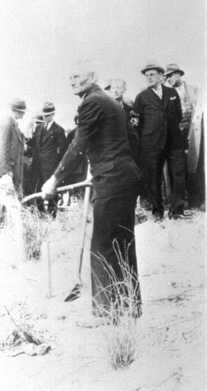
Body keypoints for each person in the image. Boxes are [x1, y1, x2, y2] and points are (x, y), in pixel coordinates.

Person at [42, 62, 142, 319]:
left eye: (77, 76)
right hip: (123, 178)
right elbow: (130, 140)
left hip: (112, 180)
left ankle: (107, 312)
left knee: (102, 245)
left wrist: (54, 179)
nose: (72, 81)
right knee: (122, 243)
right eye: (70, 77)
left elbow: (79, 143)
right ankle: (130, 304)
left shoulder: (92, 102)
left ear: (93, 77)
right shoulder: (107, 100)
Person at [134, 61, 185, 220]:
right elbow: (136, 123)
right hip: (151, 144)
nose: (149, 77)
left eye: (152, 74)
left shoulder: (172, 93)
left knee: (178, 175)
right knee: (153, 177)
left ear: (161, 76)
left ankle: (177, 211)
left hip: (173, 141)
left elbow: (178, 116)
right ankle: (157, 212)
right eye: (146, 75)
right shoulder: (141, 97)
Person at [164, 63, 203, 208]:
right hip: (175, 134)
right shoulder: (167, 91)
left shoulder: (194, 90)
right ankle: (176, 201)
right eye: (166, 76)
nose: (169, 79)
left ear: (178, 74)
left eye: (171, 75)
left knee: (194, 165)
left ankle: (196, 200)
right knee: (176, 167)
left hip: (192, 133)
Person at [0, 98, 26, 220]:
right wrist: (7, 172)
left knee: (10, 207)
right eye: (23, 111)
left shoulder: (12, 124)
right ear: (17, 112)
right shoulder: (7, 124)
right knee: (7, 206)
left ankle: (6, 231)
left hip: (10, 173)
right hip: (5, 174)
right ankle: (2, 232)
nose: (24, 114)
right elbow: (1, 151)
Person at [30, 101, 67, 217]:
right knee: (37, 189)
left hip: (50, 166)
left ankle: (52, 215)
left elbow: (63, 150)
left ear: (52, 115)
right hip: (37, 165)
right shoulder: (38, 128)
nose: (45, 118)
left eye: (48, 116)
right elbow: (34, 144)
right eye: (44, 116)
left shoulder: (58, 130)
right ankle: (40, 215)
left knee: (51, 191)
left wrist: (57, 164)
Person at [104, 78, 140, 164]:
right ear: (110, 90)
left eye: (119, 88)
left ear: (124, 90)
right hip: (109, 152)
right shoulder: (103, 110)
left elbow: (135, 131)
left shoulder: (131, 110)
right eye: (113, 88)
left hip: (127, 152)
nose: (115, 91)